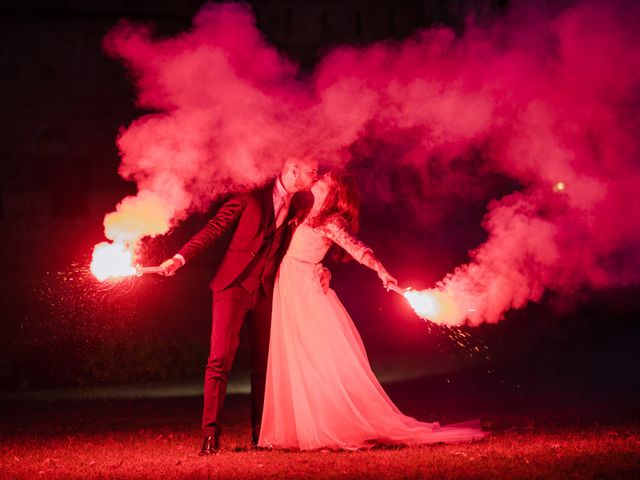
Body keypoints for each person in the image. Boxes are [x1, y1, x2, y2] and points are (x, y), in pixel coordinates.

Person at [259, 172, 486, 450]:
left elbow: (357, 247)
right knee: (292, 355)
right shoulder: (300, 210)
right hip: (290, 286)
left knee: (313, 358)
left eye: (325, 179)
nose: (317, 179)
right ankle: (294, 428)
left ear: (335, 193)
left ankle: (323, 425)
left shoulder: (331, 222)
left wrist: (381, 270)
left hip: (305, 293)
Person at [159, 156, 320, 455]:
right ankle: (210, 437)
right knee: (219, 362)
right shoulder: (250, 195)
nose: (317, 175)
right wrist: (180, 258)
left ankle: (261, 435)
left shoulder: (300, 204)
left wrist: (322, 268)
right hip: (231, 288)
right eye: (312, 171)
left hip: (266, 291)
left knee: (263, 367)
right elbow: (214, 228)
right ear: (293, 169)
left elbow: (306, 243)